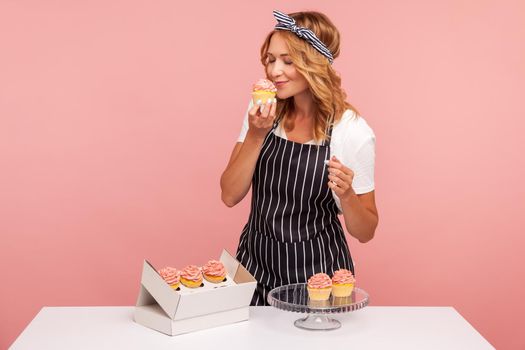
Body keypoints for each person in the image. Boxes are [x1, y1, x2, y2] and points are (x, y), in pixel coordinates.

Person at [220, 10, 378, 306]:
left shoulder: (351, 131)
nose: (274, 71)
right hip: (254, 270)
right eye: (270, 59)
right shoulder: (263, 112)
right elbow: (229, 194)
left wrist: (347, 195)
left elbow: (366, 231)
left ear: (314, 64)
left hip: (319, 279)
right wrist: (256, 135)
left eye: (288, 61)